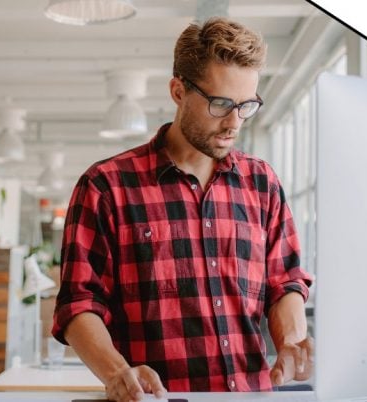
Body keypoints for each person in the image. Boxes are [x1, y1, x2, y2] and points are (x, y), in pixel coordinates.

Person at [52, 17, 313, 402]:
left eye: (247, 106)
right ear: (178, 91)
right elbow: (78, 304)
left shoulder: (262, 183)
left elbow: (284, 282)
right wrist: (117, 373)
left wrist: (291, 342)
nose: (233, 122)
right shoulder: (106, 186)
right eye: (221, 103)